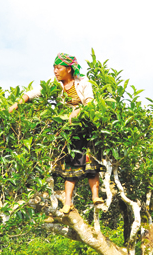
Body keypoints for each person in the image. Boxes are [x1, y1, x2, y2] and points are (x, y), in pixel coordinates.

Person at [8, 53, 105, 217]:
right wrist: (16, 104)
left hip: (85, 128)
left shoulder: (83, 83)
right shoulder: (54, 84)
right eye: (54, 67)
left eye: (58, 67)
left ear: (68, 69)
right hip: (69, 132)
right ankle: (68, 204)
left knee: (91, 165)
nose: (55, 71)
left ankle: (95, 196)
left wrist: (79, 110)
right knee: (70, 167)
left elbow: (90, 102)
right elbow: (33, 93)